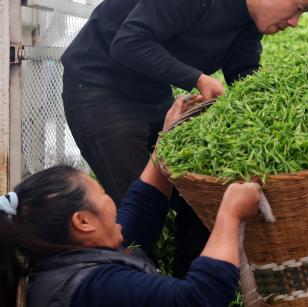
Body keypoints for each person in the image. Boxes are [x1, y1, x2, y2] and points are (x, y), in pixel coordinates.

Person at [60, 0, 308, 277]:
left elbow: (246, 78)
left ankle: (188, 287)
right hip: (99, 90)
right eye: (298, 8)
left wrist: (285, 115)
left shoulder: (247, 26)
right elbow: (128, 43)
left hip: (151, 95)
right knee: (136, 207)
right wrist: (198, 79)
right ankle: (136, 287)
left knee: (198, 193)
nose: (294, 23)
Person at [0, 96, 261, 307]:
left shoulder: (68, 262)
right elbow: (197, 299)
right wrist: (230, 214)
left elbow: (139, 211)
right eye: (102, 193)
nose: (110, 200)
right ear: (83, 222)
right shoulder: (94, 287)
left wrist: (166, 139)